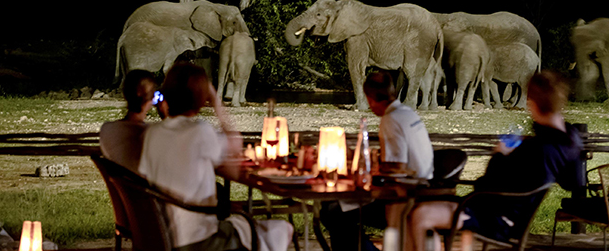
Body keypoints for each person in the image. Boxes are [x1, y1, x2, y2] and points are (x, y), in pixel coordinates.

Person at [408, 70, 585, 251]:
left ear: (533, 103)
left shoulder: (534, 149)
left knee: (420, 215)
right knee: (423, 212)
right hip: (506, 216)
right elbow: (574, 183)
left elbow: (488, 183)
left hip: (494, 218)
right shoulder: (569, 142)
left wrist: (500, 153)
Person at [138, 62, 293, 251]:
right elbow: (236, 144)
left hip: (164, 234)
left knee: (244, 222)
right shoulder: (199, 132)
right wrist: (216, 101)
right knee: (282, 228)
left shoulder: (152, 133)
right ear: (201, 97)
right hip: (199, 239)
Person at [320, 70, 434, 251]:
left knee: (333, 210)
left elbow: (396, 168)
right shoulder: (406, 113)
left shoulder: (390, 119)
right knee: (337, 209)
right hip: (425, 187)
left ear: (370, 97)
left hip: (407, 196)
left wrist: (366, 166)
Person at [99, 69, 159, 173]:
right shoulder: (151, 133)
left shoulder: (107, 129)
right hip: (145, 188)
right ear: (152, 99)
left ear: (125, 94)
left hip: (123, 187)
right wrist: (167, 117)